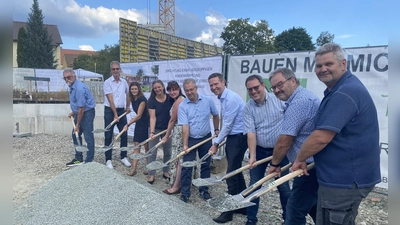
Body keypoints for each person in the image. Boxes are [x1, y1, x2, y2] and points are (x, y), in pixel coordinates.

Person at [292, 43, 381, 225]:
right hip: (342, 177)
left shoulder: (345, 92)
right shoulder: (339, 89)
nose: (323, 69)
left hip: (344, 180)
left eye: (328, 64)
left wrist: (300, 159)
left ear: (343, 64)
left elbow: (320, 138)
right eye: (319, 66)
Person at [267, 68, 320, 225]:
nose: (277, 90)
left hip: (308, 167)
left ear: (293, 81)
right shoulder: (302, 98)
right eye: (274, 87)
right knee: (314, 206)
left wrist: (274, 164)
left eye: (280, 84)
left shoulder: (300, 102)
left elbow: (284, 141)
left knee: (294, 210)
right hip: (309, 164)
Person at [243, 74, 291, 225]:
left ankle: (288, 219)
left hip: (280, 151)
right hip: (260, 150)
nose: (254, 91)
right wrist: (252, 156)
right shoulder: (248, 108)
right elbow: (251, 133)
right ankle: (251, 219)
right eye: (250, 89)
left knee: (283, 186)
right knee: (254, 185)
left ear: (263, 86)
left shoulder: (279, 100)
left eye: (256, 87)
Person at [207, 73, 248, 223]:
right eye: (211, 85)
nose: (213, 87)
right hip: (234, 137)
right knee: (237, 173)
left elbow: (228, 125)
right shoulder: (223, 97)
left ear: (223, 82)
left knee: (231, 174)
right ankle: (243, 206)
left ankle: (228, 212)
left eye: (216, 84)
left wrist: (216, 143)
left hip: (238, 138)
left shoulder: (230, 98)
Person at [178, 78, 220, 203]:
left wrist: (217, 129)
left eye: (191, 89)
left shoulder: (207, 100)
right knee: (187, 166)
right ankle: (185, 193)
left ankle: (204, 190)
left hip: (206, 138)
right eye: (187, 90)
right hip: (191, 140)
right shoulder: (182, 106)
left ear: (196, 88)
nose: (189, 92)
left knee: (205, 165)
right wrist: (185, 145)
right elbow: (185, 127)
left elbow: (216, 114)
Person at [63, 68, 96, 166]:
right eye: (65, 78)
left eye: (68, 77)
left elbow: (82, 108)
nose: (66, 79)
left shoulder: (79, 88)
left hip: (87, 113)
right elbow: (79, 105)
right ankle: (79, 158)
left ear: (74, 76)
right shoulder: (72, 86)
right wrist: (74, 112)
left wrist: (77, 124)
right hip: (81, 112)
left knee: (88, 136)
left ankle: (89, 161)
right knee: (75, 134)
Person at [103, 61, 131, 169]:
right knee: (109, 135)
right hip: (110, 111)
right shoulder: (107, 82)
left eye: (117, 69)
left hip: (121, 110)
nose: (115, 71)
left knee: (124, 133)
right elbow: (110, 99)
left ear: (120, 70)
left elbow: (128, 94)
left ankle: (123, 156)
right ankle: (108, 159)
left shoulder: (124, 82)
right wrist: (115, 114)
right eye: (113, 69)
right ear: (111, 70)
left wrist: (127, 107)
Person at [161, 81, 186, 195]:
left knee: (179, 159)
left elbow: (172, 120)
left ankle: (176, 186)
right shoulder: (179, 100)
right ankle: (179, 183)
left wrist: (166, 136)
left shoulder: (179, 100)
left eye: (174, 89)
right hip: (178, 131)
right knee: (180, 158)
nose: (172, 92)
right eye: (170, 90)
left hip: (180, 132)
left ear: (179, 89)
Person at [147, 80, 174, 184]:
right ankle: (151, 174)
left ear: (163, 87)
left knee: (167, 151)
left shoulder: (170, 99)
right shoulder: (152, 101)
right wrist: (152, 132)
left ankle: (166, 171)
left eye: (159, 87)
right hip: (156, 129)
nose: (157, 89)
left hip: (168, 129)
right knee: (152, 152)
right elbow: (152, 118)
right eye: (155, 88)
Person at [123, 82, 150, 176]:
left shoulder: (142, 99)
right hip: (139, 124)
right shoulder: (132, 98)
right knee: (136, 145)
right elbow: (128, 101)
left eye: (135, 89)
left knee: (147, 147)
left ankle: (148, 167)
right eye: (132, 89)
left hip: (146, 124)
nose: (134, 91)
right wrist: (127, 108)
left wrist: (128, 124)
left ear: (139, 89)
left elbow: (138, 116)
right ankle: (134, 169)